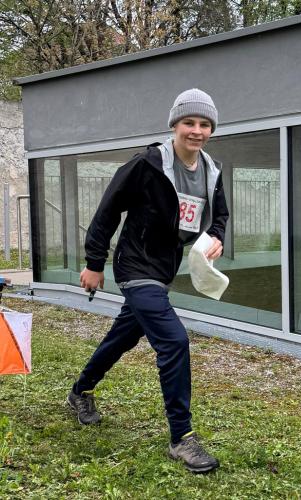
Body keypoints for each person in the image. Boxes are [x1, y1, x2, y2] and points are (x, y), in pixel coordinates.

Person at [67, 89, 229, 474]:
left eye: (204, 124)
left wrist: (216, 237)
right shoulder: (147, 164)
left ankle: (79, 391)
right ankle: (182, 438)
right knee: (174, 340)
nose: (197, 130)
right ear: (174, 125)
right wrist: (94, 263)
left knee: (122, 336)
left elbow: (219, 215)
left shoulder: (212, 170)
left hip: (165, 267)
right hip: (135, 265)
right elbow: (107, 211)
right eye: (189, 122)